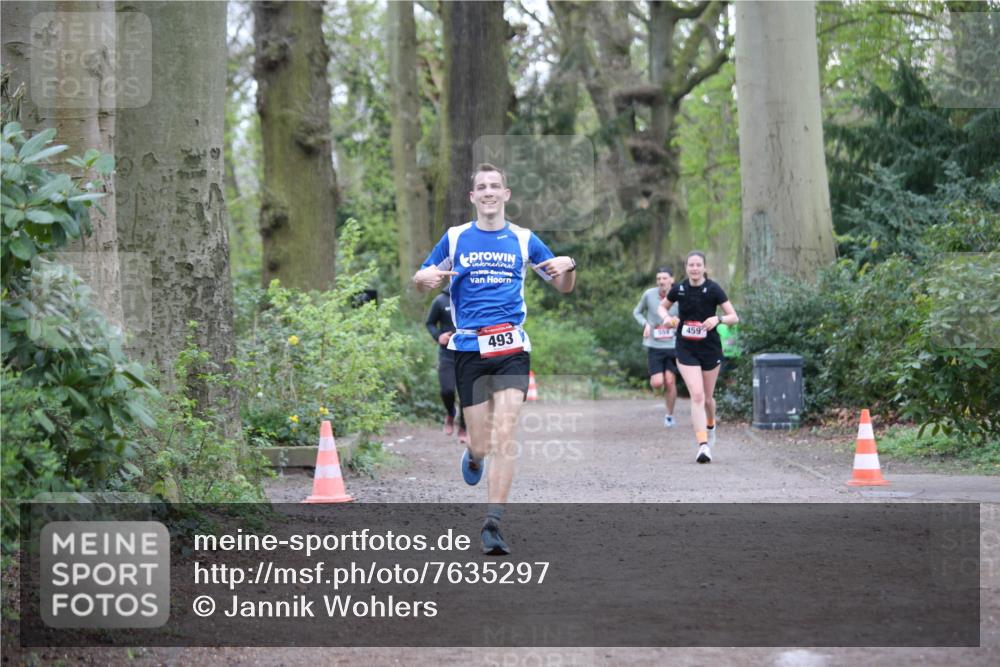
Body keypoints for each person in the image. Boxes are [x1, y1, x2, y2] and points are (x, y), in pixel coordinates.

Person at [413, 163, 576, 555]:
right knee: (482, 443)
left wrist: (569, 265)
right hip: (469, 349)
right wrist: (424, 279)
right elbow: (422, 278)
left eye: (495, 186)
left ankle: (493, 524)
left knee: (505, 433)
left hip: (511, 349)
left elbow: (563, 286)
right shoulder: (455, 238)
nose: (488, 192)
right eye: (482, 187)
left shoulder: (523, 239)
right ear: (473, 197)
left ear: (506, 194)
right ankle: (473, 455)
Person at [658, 251, 738, 464]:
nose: (694, 268)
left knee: (708, 399)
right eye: (690, 265)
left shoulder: (713, 289)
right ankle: (703, 445)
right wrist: (667, 318)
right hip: (686, 349)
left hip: (710, 349)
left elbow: (734, 317)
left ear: (704, 267)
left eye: (698, 265)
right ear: (686, 268)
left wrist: (718, 319)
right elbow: (662, 307)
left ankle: (711, 424)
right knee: (697, 395)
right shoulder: (679, 289)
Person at [633, 268, 680, 427]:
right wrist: (645, 324)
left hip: (673, 344)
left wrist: (677, 321)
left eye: (664, 278)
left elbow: (687, 314)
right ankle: (660, 389)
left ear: (671, 279)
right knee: (657, 383)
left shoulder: (679, 296)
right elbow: (637, 312)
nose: (661, 281)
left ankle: (669, 416)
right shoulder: (649, 295)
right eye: (658, 278)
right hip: (654, 345)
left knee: (670, 381)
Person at [425, 283, 468, 443]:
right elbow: (429, 323)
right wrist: (439, 336)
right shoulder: (440, 300)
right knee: (447, 390)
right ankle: (450, 413)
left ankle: (464, 427)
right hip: (447, 354)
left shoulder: (471, 297)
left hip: (468, 354)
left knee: (466, 394)